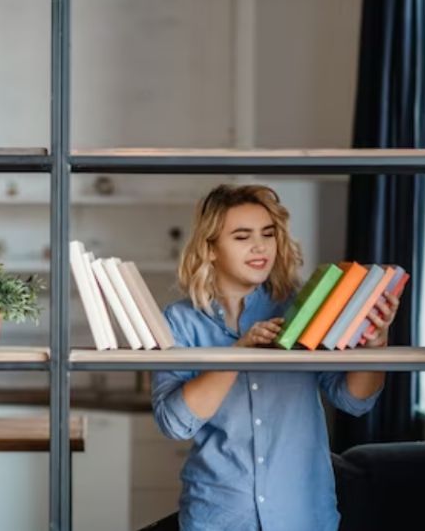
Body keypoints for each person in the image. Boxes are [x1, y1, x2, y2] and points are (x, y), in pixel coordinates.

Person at [151, 184, 399, 531]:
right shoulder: (180, 320)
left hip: (304, 515)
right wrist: (239, 355)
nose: (260, 246)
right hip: (218, 515)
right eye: (242, 236)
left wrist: (375, 343)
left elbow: (353, 400)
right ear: (210, 249)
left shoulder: (300, 308)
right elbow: (174, 422)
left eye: (268, 234)